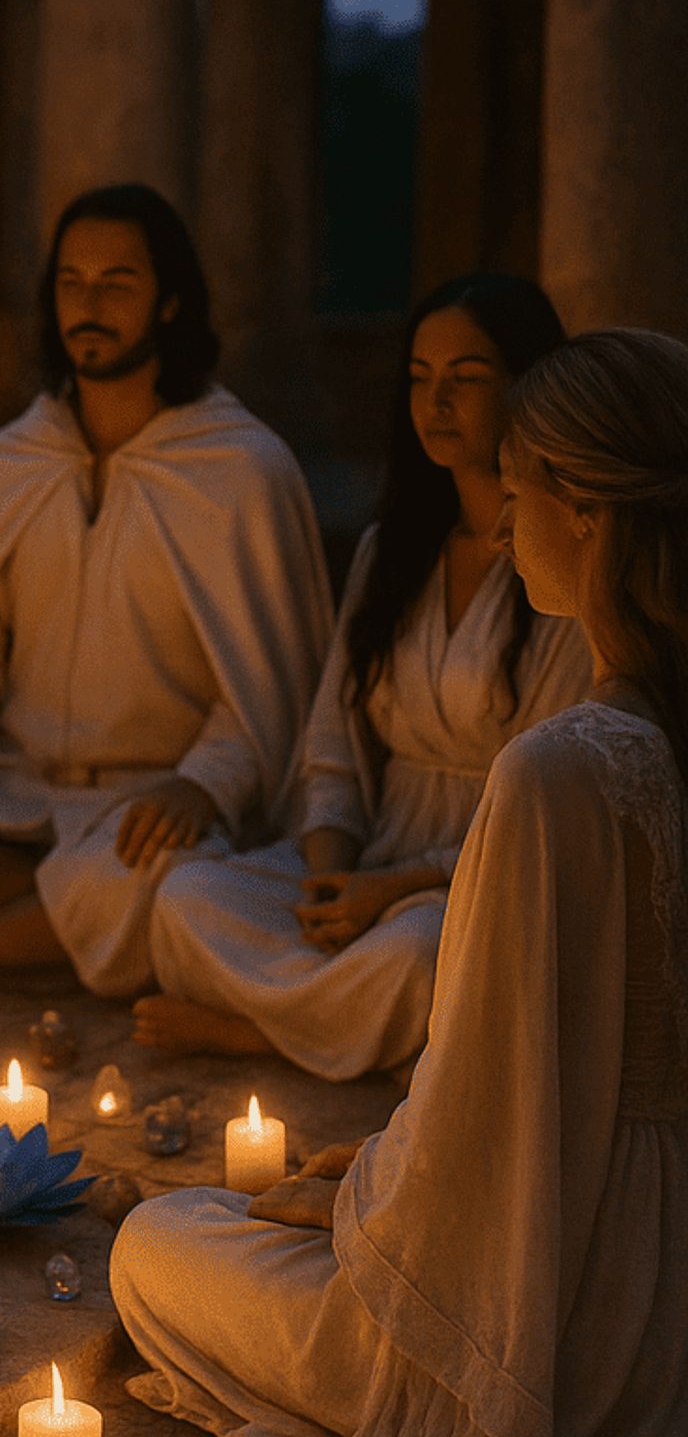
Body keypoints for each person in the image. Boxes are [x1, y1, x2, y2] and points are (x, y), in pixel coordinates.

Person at [111, 326, 688, 1437]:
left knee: (157, 1238)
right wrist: (371, 1162)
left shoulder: (555, 771)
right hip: (671, 1317)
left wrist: (353, 1199)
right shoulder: (648, 736)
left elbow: (486, 1121)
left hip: (551, 1333)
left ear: (588, 512)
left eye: (521, 488)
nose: (504, 518)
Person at [0, 183, 331, 991]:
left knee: (160, 878)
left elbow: (264, 688)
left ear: (170, 302)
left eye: (118, 282)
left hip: (147, 800)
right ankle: (52, 930)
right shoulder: (13, 462)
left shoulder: (241, 471)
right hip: (9, 791)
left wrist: (203, 785)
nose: (89, 305)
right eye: (71, 283)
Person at [134, 275, 592, 1076]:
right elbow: (333, 747)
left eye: (465, 377)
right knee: (183, 899)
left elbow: (543, 799)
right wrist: (331, 880)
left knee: (421, 957)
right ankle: (359, 1033)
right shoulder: (391, 551)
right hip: (373, 857)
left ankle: (254, 1032)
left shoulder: (556, 568)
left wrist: (396, 890)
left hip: (477, 877)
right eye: (419, 377)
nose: (436, 401)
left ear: (527, 385)